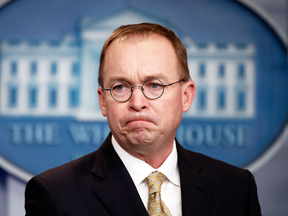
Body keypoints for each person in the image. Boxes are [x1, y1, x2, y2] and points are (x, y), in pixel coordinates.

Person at [25, 23, 261, 216]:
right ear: (103, 101)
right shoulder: (55, 193)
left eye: (154, 85)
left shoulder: (236, 187)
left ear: (186, 96)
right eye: (120, 87)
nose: (137, 102)